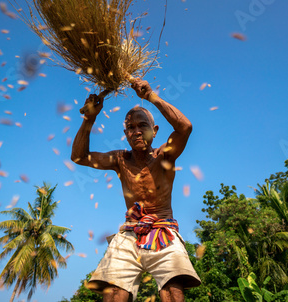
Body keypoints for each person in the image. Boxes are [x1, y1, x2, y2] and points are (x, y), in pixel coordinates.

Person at [71, 78, 201, 302]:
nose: (137, 132)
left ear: (155, 130)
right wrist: (89, 119)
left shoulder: (164, 156)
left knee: (172, 290)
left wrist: (152, 96)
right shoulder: (120, 159)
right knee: (113, 293)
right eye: (131, 128)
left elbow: (185, 127)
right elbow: (79, 157)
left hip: (163, 230)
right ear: (125, 133)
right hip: (130, 232)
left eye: (143, 126)